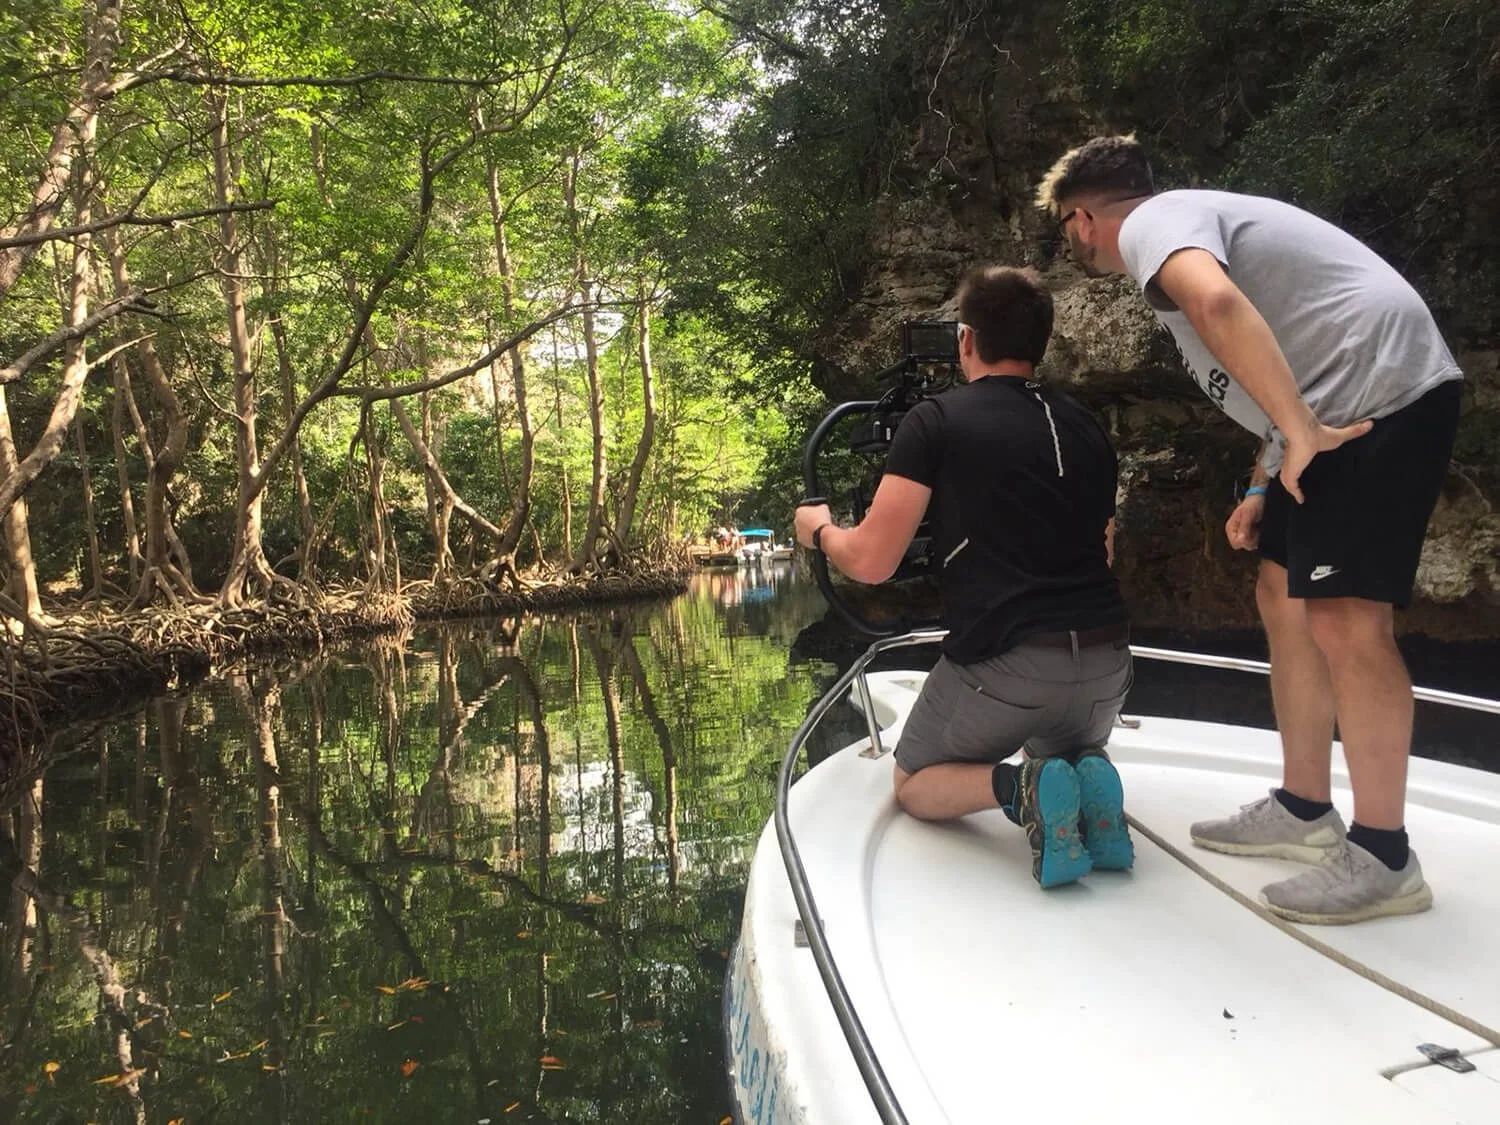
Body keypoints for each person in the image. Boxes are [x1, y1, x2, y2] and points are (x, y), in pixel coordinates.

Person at [1036, 135, 1463, 923]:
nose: (1075, 242)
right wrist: (1267, 475)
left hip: (1379, 400)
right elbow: (1284, 348)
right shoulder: (1185, 217)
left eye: (1068, 226)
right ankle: (1305, 810)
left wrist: (1298, 429)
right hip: (1336, 406)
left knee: (1348, 619)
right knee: (1280, 593)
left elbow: (1221, 306)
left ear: (1085, 216)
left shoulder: (1153, 225)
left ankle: (1384, 854)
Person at [794, 265, 1133, 889]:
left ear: (966, 341)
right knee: (1059, 741)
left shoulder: (936, 421)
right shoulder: (1087, 427)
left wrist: (818, 530)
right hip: (1108, 665)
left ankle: (1021, 787)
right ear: (1041, 340)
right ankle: (1088, 778)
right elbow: (1101, 551)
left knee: (912, 785)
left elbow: (872, 561)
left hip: (1010, 667)